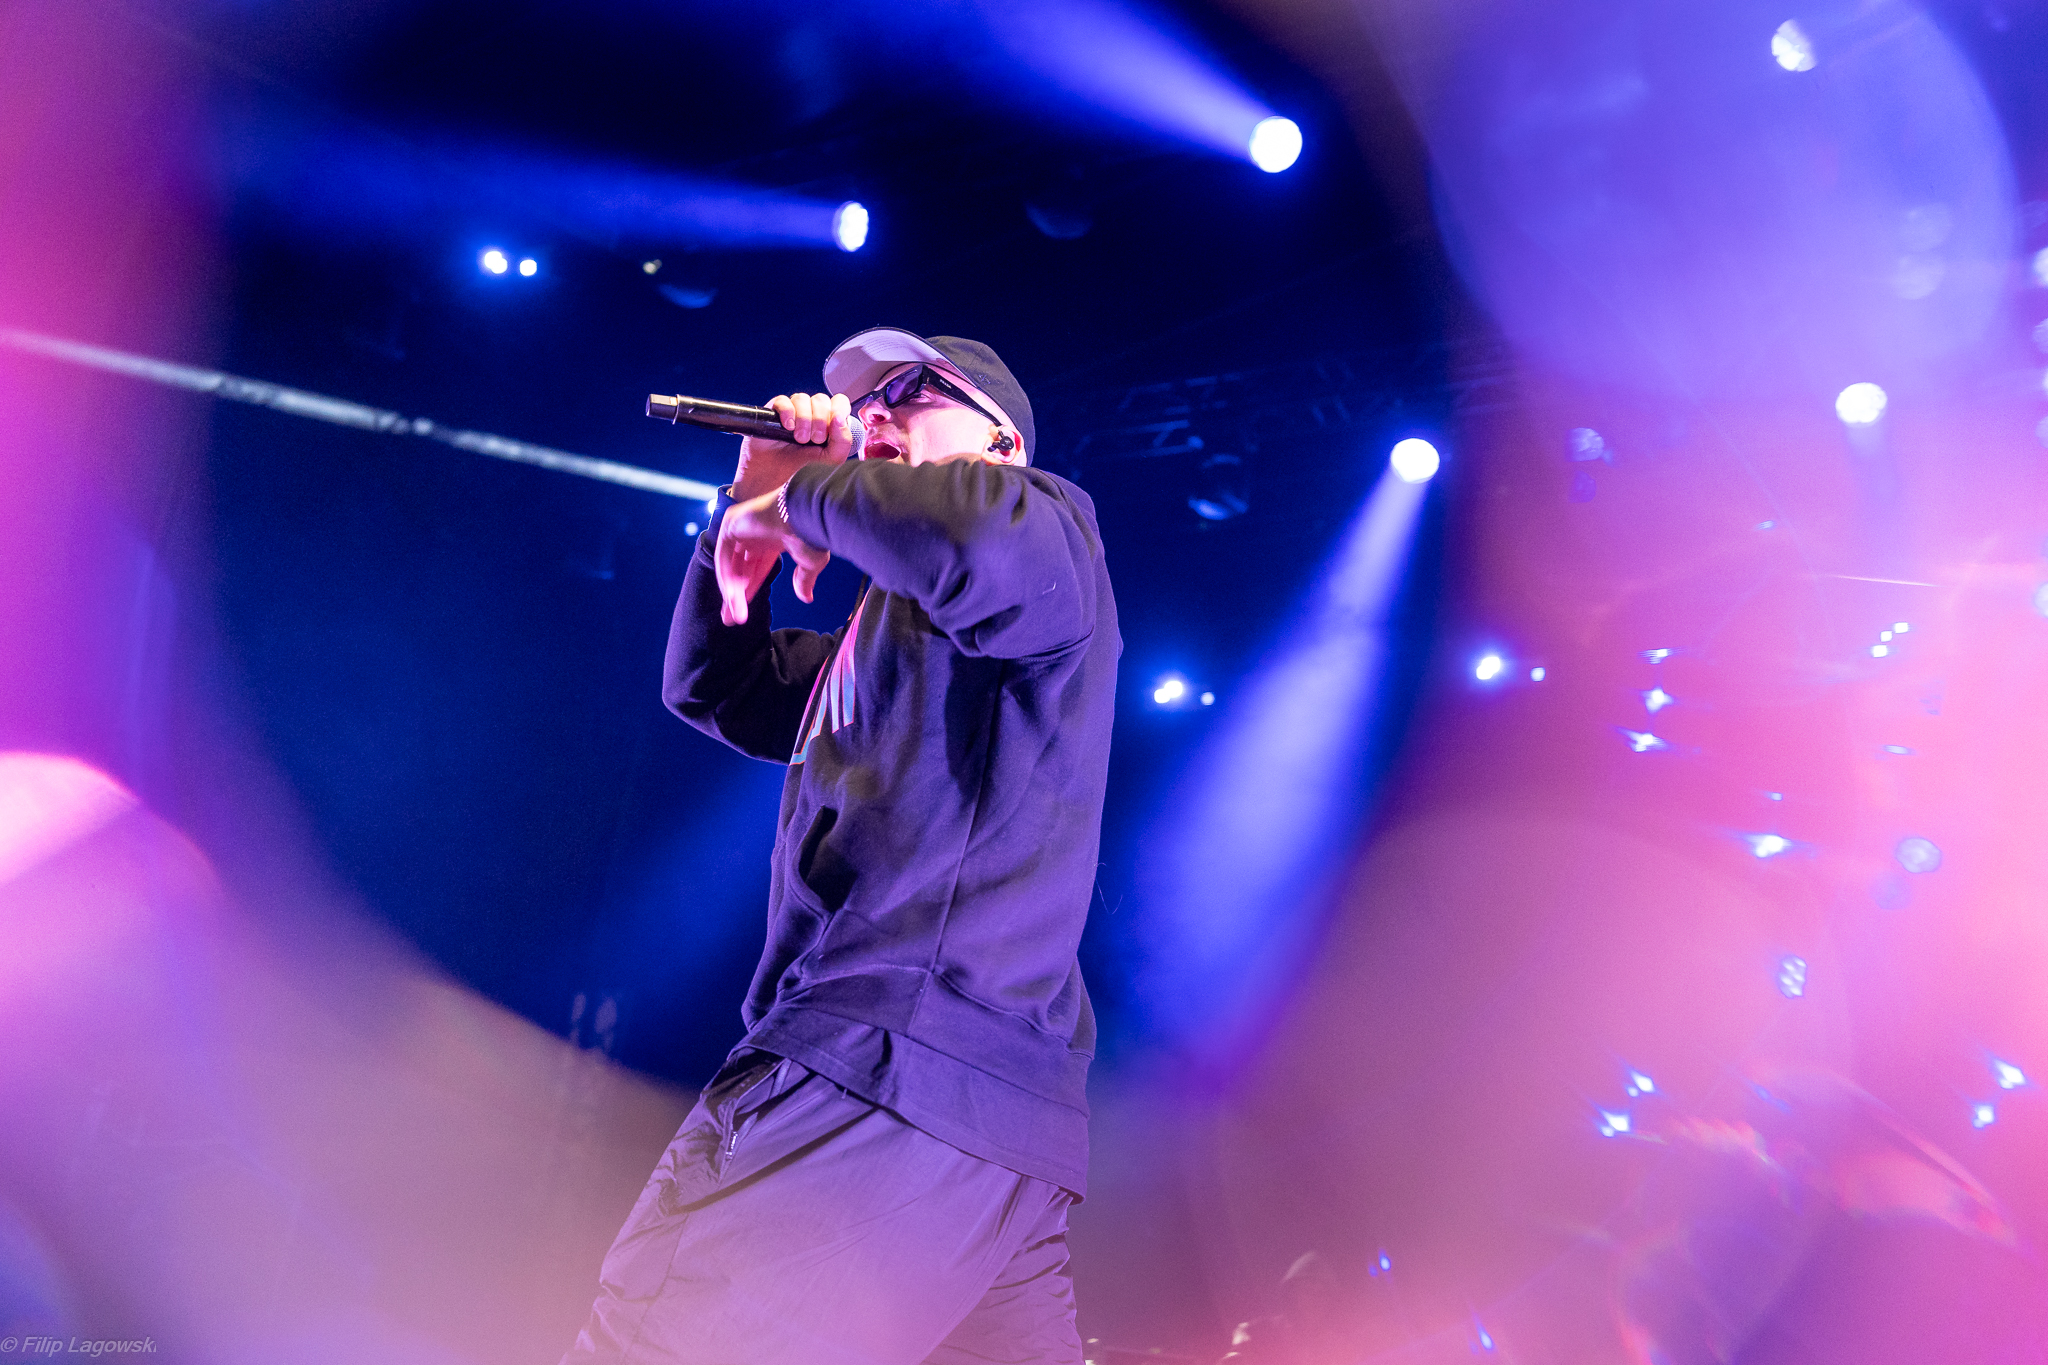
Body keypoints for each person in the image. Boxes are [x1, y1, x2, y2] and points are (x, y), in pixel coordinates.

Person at [563, 328, 1120, 1365]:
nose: (878, 415)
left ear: (1002, 445)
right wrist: (747, 505)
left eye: (914, 392)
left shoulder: (1047, 524)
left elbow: (970, 535)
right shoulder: (883, 639)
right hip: (990, 1129)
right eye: (869, 406)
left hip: (884, 1073)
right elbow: (713, 685)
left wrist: (800, 496)